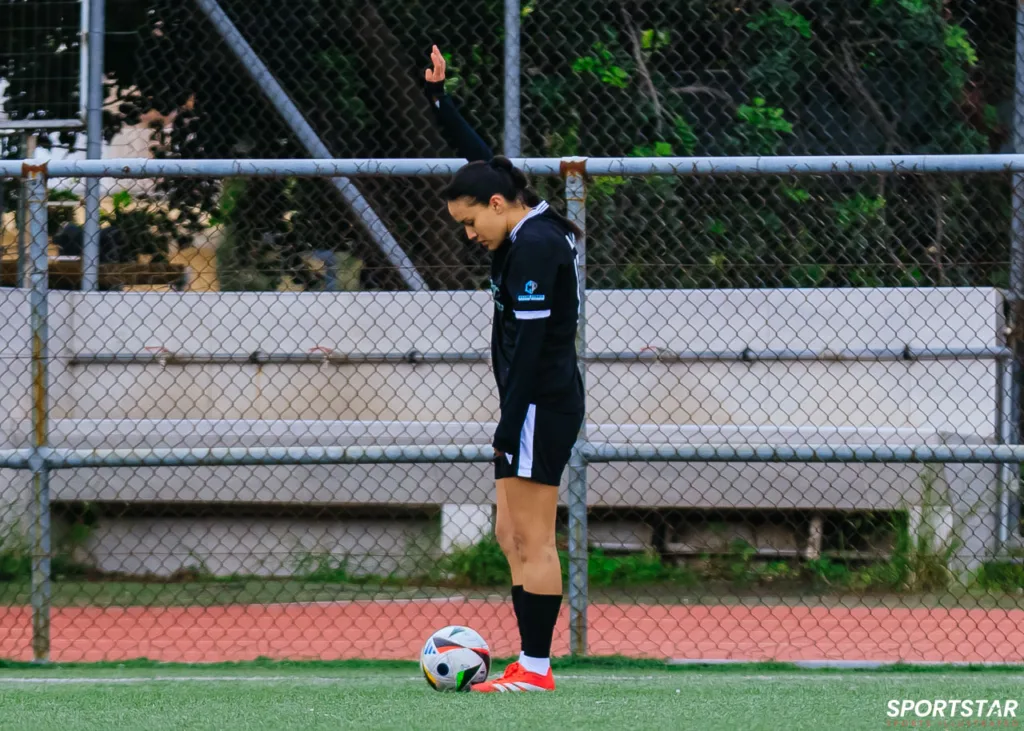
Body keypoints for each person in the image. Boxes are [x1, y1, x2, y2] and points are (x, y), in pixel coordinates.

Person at [425, 45, 585, 693]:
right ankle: (527, 660)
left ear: (496, 204)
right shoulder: (517, 214)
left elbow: (531, 348)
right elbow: (482, 158)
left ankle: (536, 669)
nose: (469, 236)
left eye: (470, 223)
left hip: (540, 402)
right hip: (527, 404)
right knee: (506, 532)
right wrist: (439, 100)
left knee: (532, 537)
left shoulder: (536, 247)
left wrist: (507, 423)